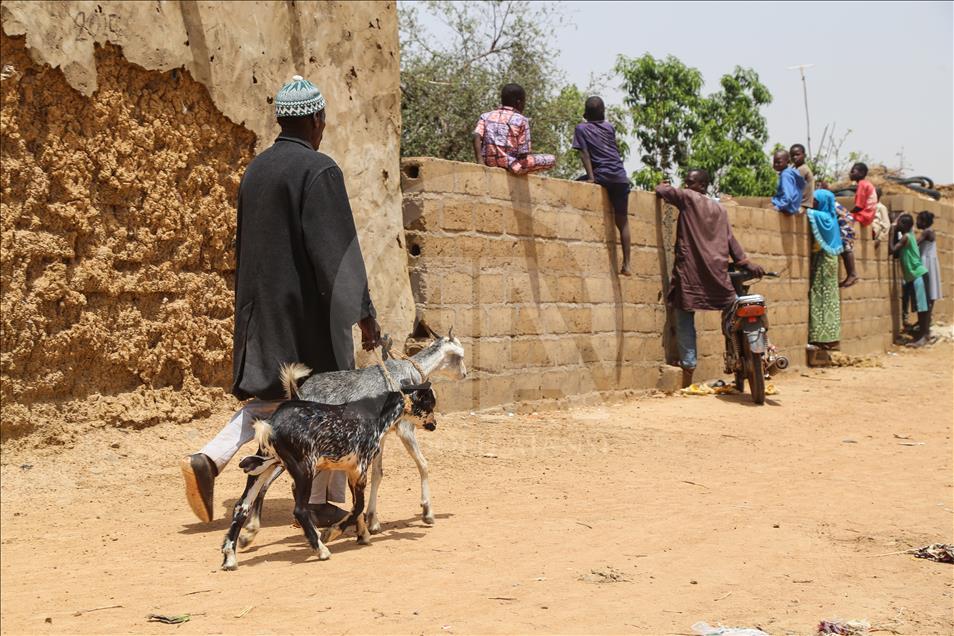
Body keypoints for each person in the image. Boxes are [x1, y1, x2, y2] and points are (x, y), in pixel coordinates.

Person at [180, 75, 382, 524]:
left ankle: (210, 459)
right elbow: (337, 252)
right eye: (323, 119)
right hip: (308, 316)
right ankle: (318, 502)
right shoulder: (319, 170)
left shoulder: (256, 171)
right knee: (332, 405)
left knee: (275, 400)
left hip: (262, 311)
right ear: (314, 119)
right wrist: (364, 311)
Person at [655, 169, 765, 388]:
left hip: (691, 271)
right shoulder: (720, 209)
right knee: (731, 310)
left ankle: (688, 363)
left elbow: (662, 191)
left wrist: (664, 183)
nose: (686, 186)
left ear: (702, 185)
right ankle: (735, 353)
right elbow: (730, 240)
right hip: (717, 272)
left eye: (690, 182)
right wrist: (745, 262)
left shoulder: (687, 198)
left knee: (684, 311)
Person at [572, 96, 632, 275]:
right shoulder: (609, 127)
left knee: (575, 184)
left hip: (602, 175)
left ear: (585, 113)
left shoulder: (581, 128)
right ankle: (627, 264)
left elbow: (584, 153)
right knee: (623, 221)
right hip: (620, 177)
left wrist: (591, 178)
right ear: (603, 112)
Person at [473, 83, 555, 175]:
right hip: (512, 166)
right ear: (519, 103)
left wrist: (480, 161)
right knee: (551, 160)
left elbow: (476, 135)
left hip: (488, 162)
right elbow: (523, 152)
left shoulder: (486, 116)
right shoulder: (521, 120)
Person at [806, 182, 843, 350]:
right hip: (829, 261)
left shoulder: (825, 218)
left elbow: (807, 212)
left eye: (815, 201)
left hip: (824, 263)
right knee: (828, 299)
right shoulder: (832, 218)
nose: (812, 203)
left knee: (821, 297)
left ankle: (822, 337)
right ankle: (829, 337)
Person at [890, 213, 932, 347]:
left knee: (922, 308)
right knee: (921, 307)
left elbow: (892, 250)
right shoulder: (909, 236)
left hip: (918, 275)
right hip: (916, 276)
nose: (898, 225)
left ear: (905, 226)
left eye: (900, 223)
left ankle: (923, 336)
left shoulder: (906, 237)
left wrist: (891, 231)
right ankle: (923, 335)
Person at [917, 210, 943, 305]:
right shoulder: (929, 231)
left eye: (918, 220)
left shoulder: (927, 232)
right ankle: (927, 317)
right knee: (930, 289)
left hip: (927, 261)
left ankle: (926, 318)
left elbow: (915, 243)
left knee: (927, 289)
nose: (916, 223)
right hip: (929, 260)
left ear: (924, 222)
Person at [770, 149, 805, 214]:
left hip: (787, 208)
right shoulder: (792, 173)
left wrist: (778, 207)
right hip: (794, 207)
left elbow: (788, 196)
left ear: (787, 161)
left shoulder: (785, 175)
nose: (776, 164)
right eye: (774, 162)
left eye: (779, 162)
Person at [790, 144, 815, 212]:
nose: (795, 157)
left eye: (797, 155)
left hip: (802, 205)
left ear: (804, 155)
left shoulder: (802, 169)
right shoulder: (797, 168)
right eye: (792, 155)